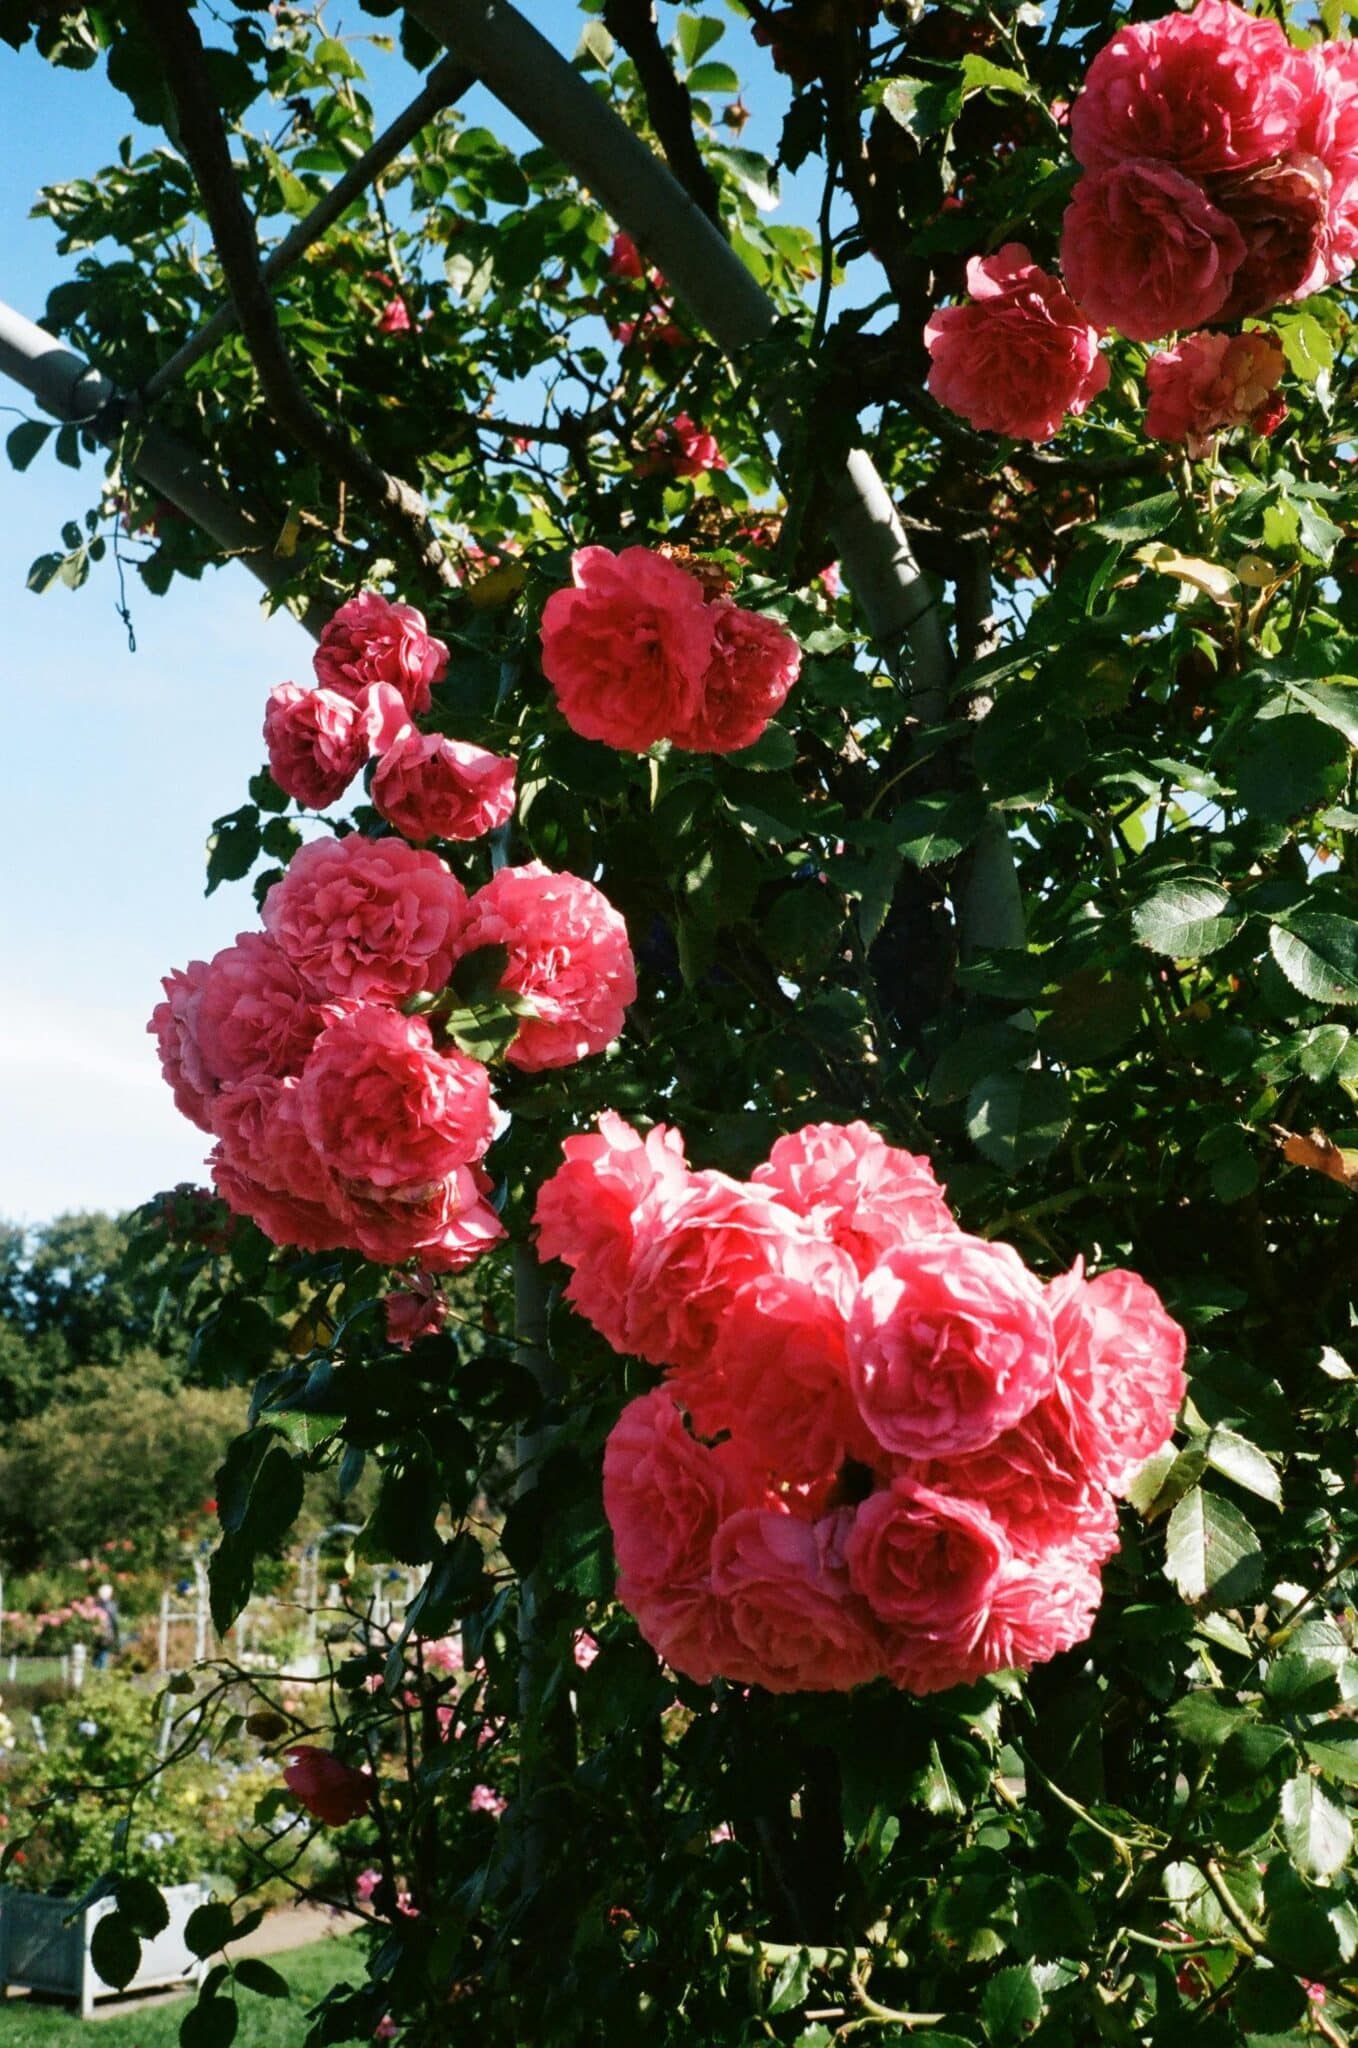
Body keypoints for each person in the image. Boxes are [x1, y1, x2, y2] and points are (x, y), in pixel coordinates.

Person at [92, 1582, 120, 1670]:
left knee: (97, 1654)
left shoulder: (95, 1603)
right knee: (103, 1654)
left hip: (95, 1632)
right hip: (106, 1632)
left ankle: (95, 1673)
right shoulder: (112, 1605)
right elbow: (114, 1621)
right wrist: (116, 1634)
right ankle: (101, 1676)